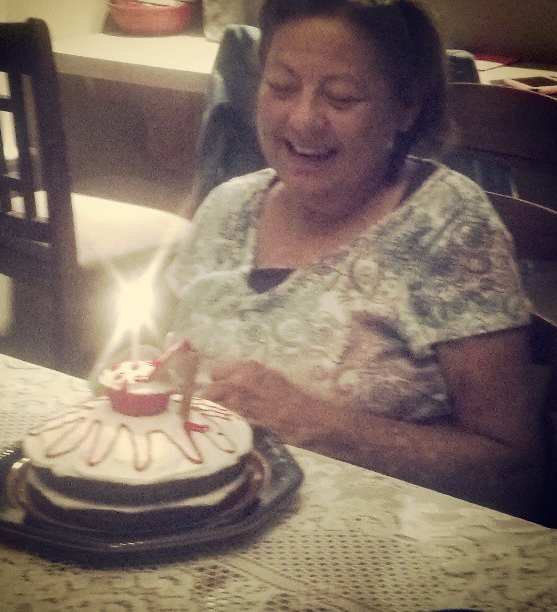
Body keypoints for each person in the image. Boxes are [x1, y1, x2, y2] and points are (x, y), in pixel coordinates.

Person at [123, 0, 545, 518]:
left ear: (405, 106)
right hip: (199, 520)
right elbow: (161, 361)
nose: (303, 119)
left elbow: (514, 469)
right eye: (281, 86)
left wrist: (316, 423)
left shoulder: (447, 226)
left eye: (341, 97)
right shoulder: (226, 207)